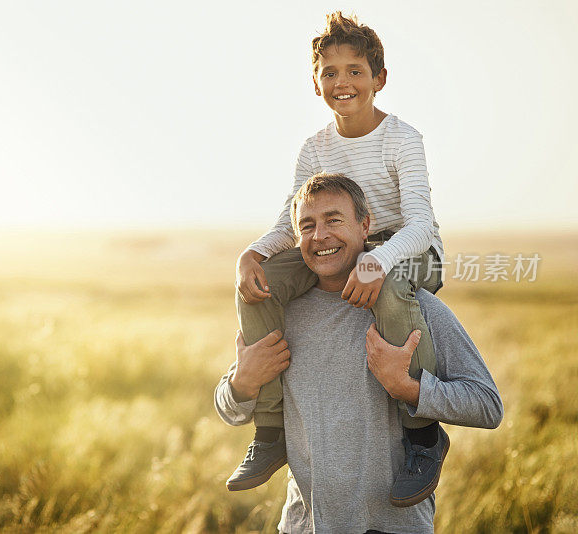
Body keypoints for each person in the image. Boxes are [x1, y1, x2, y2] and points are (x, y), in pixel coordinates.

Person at [227, 11, 447, 506]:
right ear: (315, 82)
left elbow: (419, 224)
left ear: (379, 79)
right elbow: (292, 224)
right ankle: (269, 430)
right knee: (258, 280)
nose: (341, 82)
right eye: (329, 72)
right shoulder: (314, 148)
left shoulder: (402, 139)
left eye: (354, 71)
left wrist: (378, 261)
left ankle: (424, 435)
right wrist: (252, 252)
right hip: (346, 247)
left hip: (411, 250)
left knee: (391, 287)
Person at [215, 173, 503, 533]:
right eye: (307, 226)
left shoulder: (416, 308)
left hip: (394, 526)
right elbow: (229, 407)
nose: (320, 235)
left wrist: (409, 389)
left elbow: (488, 405)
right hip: (306, 526)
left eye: (334, 220)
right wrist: (242, 383)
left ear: (364, 226)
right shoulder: (283, 312)